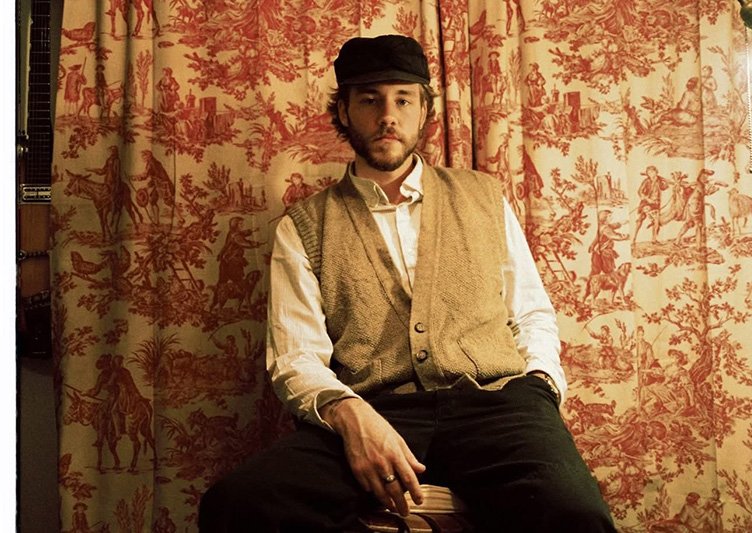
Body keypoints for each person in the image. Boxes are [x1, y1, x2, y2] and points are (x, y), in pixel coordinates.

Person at [199, 34, 616, 532]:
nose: (387, 116)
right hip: (377, 411)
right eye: (370, 100)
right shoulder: (304, 225)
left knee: (578, 518)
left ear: (424, 111)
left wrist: (542, 387)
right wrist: (350, 415)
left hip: (498, 406)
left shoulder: (483, 196)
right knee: (238, 505)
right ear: (346, 112)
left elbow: (530, 312)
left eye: (403, 99)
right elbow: (296, 356)